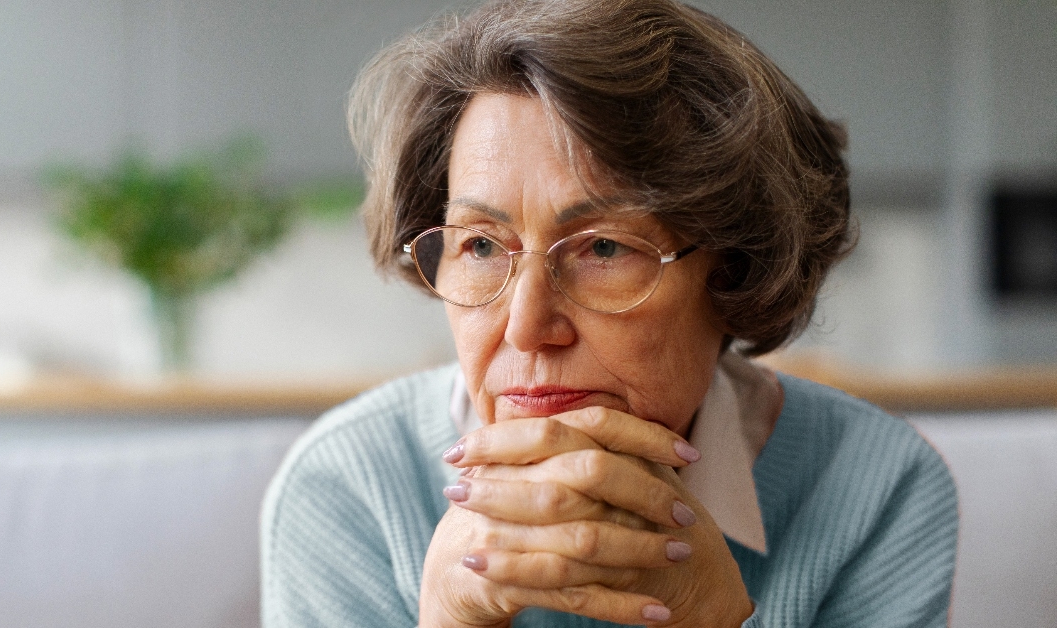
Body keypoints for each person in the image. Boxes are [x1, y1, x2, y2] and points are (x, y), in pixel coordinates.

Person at [261, 1, 958, 626]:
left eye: (602, 247)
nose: (528, 326)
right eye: (479, 244)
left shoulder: (875, 488)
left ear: (734, 269)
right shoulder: (345, 488)